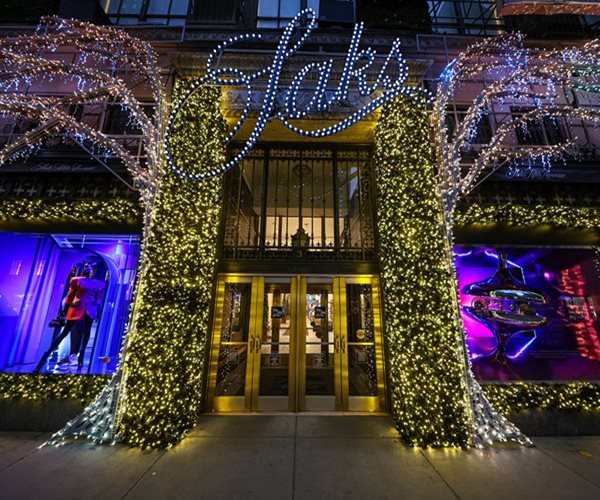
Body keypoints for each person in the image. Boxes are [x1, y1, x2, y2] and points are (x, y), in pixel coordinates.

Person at [33, 262, 105, 373]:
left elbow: (99, 298)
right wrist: (64, 310)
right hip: (77, 308)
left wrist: (97, 307)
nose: (90, 270)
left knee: (86, 332)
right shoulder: (77, 280)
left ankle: (80, 356)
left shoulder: (98, 283)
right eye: (88, 267)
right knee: (65, 332)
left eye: (92, 268)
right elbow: (70, 295)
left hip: (90, 309)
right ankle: (48, 353)